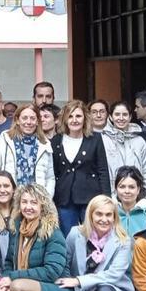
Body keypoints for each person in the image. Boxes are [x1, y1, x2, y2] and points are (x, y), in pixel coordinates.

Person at [60, 194, 135, 291]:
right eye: (99, 214)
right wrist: (69, 283)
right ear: (90, 215)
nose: (104, 219)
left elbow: (114, 274)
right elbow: (65, 261)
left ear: (114, 217)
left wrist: (79, 280)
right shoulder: (76, 234)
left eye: (109, 215)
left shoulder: (123, 240)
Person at [51, 100, 111, 234]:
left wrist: (107, 199)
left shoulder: (95, 139)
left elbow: (103, 170)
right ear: (65, 119)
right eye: (70, 116)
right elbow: (53, 172)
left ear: (85, 118)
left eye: (78, 116)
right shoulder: (56, 141)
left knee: (92, 237)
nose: (74, 120)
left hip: (90, 197)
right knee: (68, 237)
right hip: (64, 199)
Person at [0, 104, 54, 194]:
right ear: (17, 120)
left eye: (32, 118)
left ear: (37, 122)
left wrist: (46, 198)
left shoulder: (45, 144)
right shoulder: (5, 139)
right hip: (9, 200)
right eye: (24, 118)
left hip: (36, 202)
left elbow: (50, 177)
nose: (28, 122)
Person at [100, 101, 146, 203]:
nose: (121, 118)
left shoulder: (139, 141)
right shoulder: (102, 140)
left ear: (130, 117)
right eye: (117, 114)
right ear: (111, 117)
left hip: (138, 197)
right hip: (112, 197)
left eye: (125, 114)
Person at [113, 166, 146, 239]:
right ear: (116, 189)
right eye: (122, 187)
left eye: (131, 187)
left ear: (138, 189)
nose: (127, 191)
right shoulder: (111, 213)